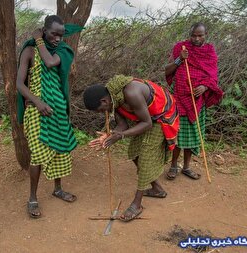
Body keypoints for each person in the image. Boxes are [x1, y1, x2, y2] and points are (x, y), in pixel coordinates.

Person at [83, 75, 179, 221]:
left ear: (104, 101)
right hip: (149, 118)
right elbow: (123, 126)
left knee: (146, 157)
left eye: (100, 110)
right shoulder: (113, 100)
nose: (103, 113)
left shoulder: (131, 93)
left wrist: (120, 136)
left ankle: (137, 204)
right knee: (134, 152)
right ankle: (157, 189)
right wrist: (110, 135)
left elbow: (147, 124)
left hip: (162, 115)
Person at [16, 15, 82, 218]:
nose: (57, 39)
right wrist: (37, 101)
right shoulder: (28, 51)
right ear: (44, 30)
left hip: (58, 109)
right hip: (37, 111)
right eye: (53, 34)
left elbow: (50, 62)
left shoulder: (63, 51)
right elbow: (19, 84)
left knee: (60, 150)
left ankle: (58, 189)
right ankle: (33, 198)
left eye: (61, 35)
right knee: (37, 153)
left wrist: (38, 40)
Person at [164, 22, 223, 181]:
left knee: (192, 135)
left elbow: (213, 77)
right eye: (194, 35)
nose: (197, 38)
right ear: (190, 35)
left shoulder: (209, 51)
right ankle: (174, 166)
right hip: (179, 100)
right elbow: (167, 70)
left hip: (197, 102)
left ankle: (187, 167)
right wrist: (179, 60)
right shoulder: (181, 48)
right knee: (177, 135)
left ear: (205, 35)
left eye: (200, 35)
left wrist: (204, 87)